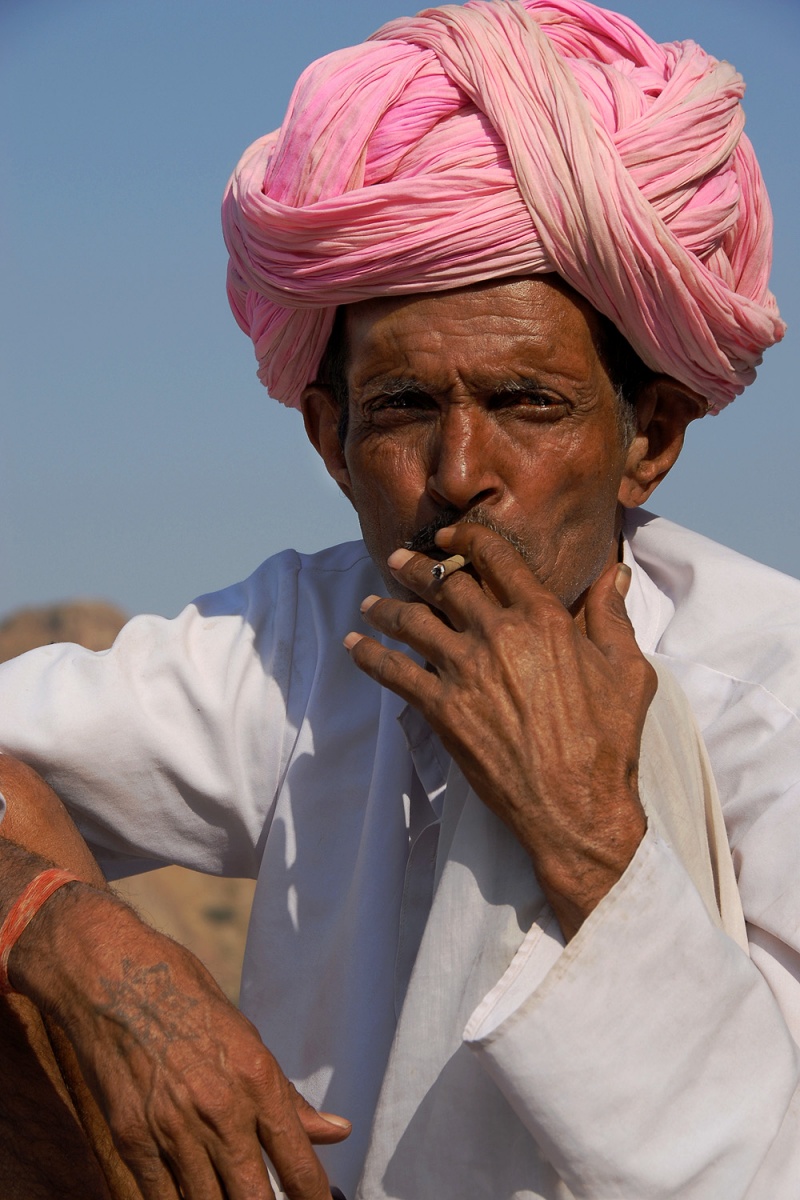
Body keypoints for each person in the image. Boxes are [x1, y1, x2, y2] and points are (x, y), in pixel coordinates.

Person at [0, 1, 798, 1197]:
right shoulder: (309, 640)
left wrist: (593, 842)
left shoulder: (771, 703)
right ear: (330, 438)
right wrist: (69, 940)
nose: (459, 473)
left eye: (528, 404)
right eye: (403, 410)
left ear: (651, 438)